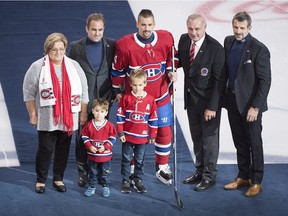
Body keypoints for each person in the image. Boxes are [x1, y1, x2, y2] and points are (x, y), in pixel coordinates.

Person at [112, 9, 177, 186]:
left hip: (160, 96)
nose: (146, 28)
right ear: (137, 24)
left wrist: (171, 71)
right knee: (134, 133)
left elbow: (173, 58)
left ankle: (162, 166)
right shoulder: (125, 45)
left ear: (154, 25)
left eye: (149, 25)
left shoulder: (166, 38)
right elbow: (117, 70)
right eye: (143, 25)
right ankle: (133, 168)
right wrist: (116, 90)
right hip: (135, 99)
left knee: (164, 130)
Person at [23, 32, 89, 194]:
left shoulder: (74, 66)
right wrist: (33, 114)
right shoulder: (38, 66)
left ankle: (58, 178)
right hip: (47, 117)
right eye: (54, 50)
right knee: (46, 149)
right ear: (47, 50)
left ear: (65, 48)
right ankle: (41, 180)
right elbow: (28, 93)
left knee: (63, 149)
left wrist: (83, 114)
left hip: (69, 117)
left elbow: (84, 91)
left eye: (61, 49)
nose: (58, 53)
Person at [223, 11, 271, 197]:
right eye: (236, 27)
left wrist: (256, 107)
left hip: (251, 106)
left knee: (254, 143)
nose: (238, 31)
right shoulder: (228, 42)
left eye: (242, 28)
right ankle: (243, 175)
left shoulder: (259, 49)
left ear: (249, 28)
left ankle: (256, 180)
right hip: (232, 101)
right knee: (240, 141)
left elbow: (265, 81)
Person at [177, 14, 226, 191]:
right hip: (191, 101)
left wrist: (212, 107)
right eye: (190, 29)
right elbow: (179, 61)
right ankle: (199, 170)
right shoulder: (184, 40)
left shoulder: (216, 49)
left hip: (208, 104)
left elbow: (220, 81)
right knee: (197, 138)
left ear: (205, 27)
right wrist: (171, 69)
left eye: (197, 29)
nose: (194, 33)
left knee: (209, 141)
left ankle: (209, 175)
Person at [68, 13, 116, 187]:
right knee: (82, 135)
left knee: (101, 134)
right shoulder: (75, 47)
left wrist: (117, 92)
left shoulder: (112, 45)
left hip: (104, 100)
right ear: (86, 29)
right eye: (93, 29)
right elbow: (71, 75)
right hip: (83, 100)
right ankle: (83, 172)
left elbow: (116, 70)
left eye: (100, 30)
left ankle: (100, 170)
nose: (97, 33)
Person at [117, 69, 158, 194]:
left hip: (142, 137)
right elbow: (120, 116)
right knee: (126, 159)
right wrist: (121, 133)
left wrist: (152, 135)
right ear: (130, 84)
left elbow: (154, 118)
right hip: (128, 137)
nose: (137, 88)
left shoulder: (150, 100)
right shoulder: (126, 98)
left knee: (140, 160)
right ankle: (125, 180)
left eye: (140, 85)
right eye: (134, 85)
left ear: (145, 84)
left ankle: (138, 179)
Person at [81, 98, 116, 197]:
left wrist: (105, 147)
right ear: (92, 111)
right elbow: (84, 136)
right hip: (93, 155)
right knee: (92, 172)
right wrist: (89, 146)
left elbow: (113, 137)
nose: (99, 114)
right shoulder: (89, 125)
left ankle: (105, 186)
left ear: (106, 112)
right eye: (96, 111)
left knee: (105, 173)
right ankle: (92, 187)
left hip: (105, 156)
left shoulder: (109, 125)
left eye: (102, 111)